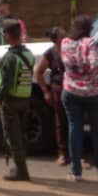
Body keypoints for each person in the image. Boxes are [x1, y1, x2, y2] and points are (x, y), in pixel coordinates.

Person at [59, 16, 98, 181]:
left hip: (70, 91)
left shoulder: (65, 42)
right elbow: (95, 65)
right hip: (93, 92)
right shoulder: (89, 43)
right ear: (89, 28)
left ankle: (75, 172)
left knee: (74, 129)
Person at [0, 21, 35, 181]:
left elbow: (4, 84)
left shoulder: (9, 58)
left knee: (12, 137)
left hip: (10, 101)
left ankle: (21, 172)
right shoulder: (29, 54)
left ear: (8, 36)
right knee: (20, 135)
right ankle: (19, 167)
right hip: (25, 98)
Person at [34, 26, 69, 165]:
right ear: (56, 40)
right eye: (63, 37)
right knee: (60, 122)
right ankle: (62, 153)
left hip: (74, 90)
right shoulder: (51, 53)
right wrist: (45, 91)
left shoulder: (72, 50)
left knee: (75, 123)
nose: (66, 39)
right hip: (58, 90)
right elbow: (38, 72)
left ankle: (77, 154)